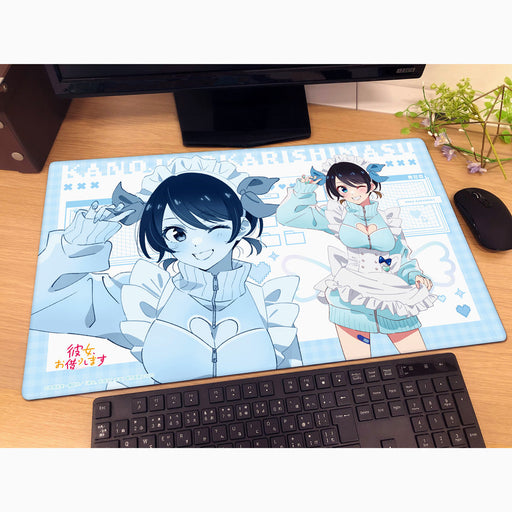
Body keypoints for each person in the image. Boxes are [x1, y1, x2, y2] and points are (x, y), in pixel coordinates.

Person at [30, 156, 302, 384]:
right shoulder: (143, 296)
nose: (197, 243)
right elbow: (40, 309)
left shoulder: (270, 304)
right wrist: (76, 247)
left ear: (241, 227)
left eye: (213, 227)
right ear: (160, 237)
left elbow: (293, 381)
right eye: (177, 233)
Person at [276, 155, 436, 360]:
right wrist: (303, 191)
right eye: (343, 189)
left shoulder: (389, 219)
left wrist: (414, 275)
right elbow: (287, 217)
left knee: (420, 359)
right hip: (351, 295)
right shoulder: (336, 215)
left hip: (392, 293)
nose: (352, 193)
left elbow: (401, 255)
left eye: (358, 186)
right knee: (357, 365)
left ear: (370, 184)